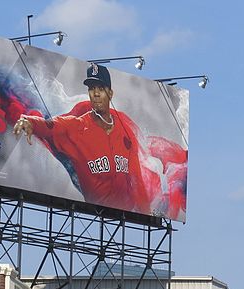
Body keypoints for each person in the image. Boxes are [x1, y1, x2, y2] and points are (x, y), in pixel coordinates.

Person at [12, 63, 156, 214]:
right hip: (97, 211)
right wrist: (30, 122)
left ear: (110, 93)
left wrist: (146, 215)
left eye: (101, 88)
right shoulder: (78, 126)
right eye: (92, 88)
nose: (96, 93)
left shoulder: (125, 131)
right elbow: (52, 126)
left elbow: (137, 181)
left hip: (128, 212)